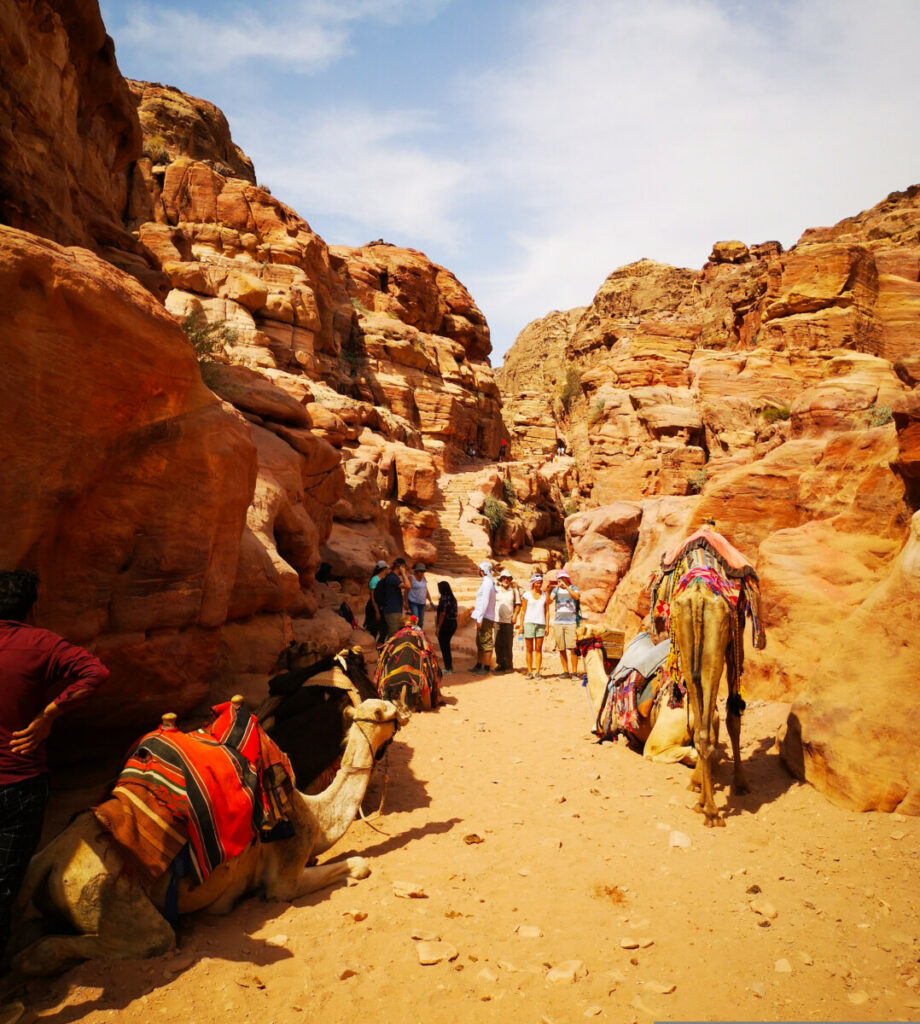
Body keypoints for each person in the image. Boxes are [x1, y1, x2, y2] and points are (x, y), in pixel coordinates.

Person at [0, 570, 108, 985]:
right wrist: (49, 715)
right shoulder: (40, 643)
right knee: (5, 884)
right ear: (33, 608)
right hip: (19, 784)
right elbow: (95, 673)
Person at [516, 573, 549, 679]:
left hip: (541, 623)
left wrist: (547, 626)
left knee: (538, 648)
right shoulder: (527, 595)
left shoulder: (544, 595)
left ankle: (538, 671)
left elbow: (547, 611)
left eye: (540, 583)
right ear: (533, 583)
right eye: (537, 583)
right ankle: (530, 671)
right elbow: (523, 611)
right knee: (529, 649)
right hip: (529, 622)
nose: (539, 585)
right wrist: (521, 626)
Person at [549, 569, 581, 678]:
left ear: (567, 578)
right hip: (558, 622)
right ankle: (566, 671)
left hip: (571, 622)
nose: (561, 580)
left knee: (573, 648)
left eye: (563, 578)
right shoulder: (556, 590)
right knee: (561, 648)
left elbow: (576, 597)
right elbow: (548, 601)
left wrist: (566, 588)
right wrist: (548, 590)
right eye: (560, 578)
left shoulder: (574, 588)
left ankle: (575, 672)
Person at [470, 561, 496, 674]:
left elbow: (484, 602)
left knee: (486, 642)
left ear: (482, 571)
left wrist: (479, 618)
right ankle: (479, 665)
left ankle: (486, 667)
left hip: (485, 617)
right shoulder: (487, 582)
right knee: (480, 642)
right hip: (483, 616)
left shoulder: (487, 583)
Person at [493, 570, 521, 672]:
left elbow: (518, 605)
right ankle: (500, 664)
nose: (506, 580)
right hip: (497, 620)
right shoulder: (496, 590)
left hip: (509, 621)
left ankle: (508, 665)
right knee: (497, 644)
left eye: (508, 578)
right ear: (501, 579)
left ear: (510, 579)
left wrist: (515, 616)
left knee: (508, 644)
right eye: (504, 578)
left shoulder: (514, 591)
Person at [375, 560, 407, 639]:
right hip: (392, 610)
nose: (405, 569)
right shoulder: (392, 577)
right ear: (401, 567)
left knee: (396, 634)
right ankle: (388, 650)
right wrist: (403, 573)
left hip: (395, 610)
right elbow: (408, 586)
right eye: (404, 567)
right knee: (393, 635)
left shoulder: (393, 577)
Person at [434, 580, 458, 674]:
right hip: (453, 623)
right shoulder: (452, 598)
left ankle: (448, 668)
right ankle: (449, 667)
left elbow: (442, 614)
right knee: (446, 645)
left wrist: (438, 628)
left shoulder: (443, 599)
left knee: (444, 646)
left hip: (446, 624)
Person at [365, 559, 388, 642]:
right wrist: (377, 611)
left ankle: (379, 648)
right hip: (374, 607)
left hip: (381, 607)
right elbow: (373, 597)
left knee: (383, 630)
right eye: (387, 569)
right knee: (374, 630)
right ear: (384, 569)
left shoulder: (383, 579)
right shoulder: (375, 580)